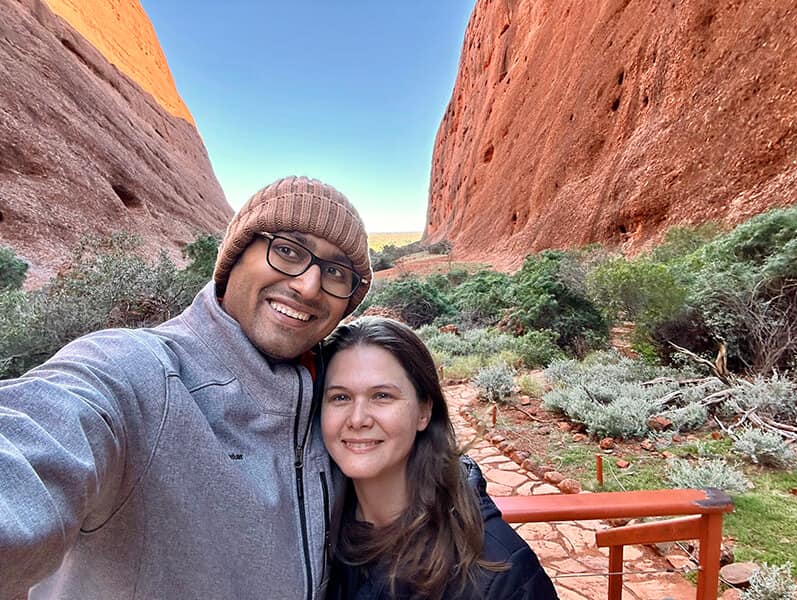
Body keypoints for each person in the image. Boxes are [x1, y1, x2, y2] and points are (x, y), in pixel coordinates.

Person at [0, 176, 372, 600]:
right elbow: (36, 436)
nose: (308, 286)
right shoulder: (136, 372)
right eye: (287, 251)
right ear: (235, 257)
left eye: (336, 272)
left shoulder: (337, 406)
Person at [320, 317, 559, 599]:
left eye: (382, 395)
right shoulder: (316, 535)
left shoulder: (502, 575)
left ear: (424, 411)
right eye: (340, 397)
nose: (358, 419)